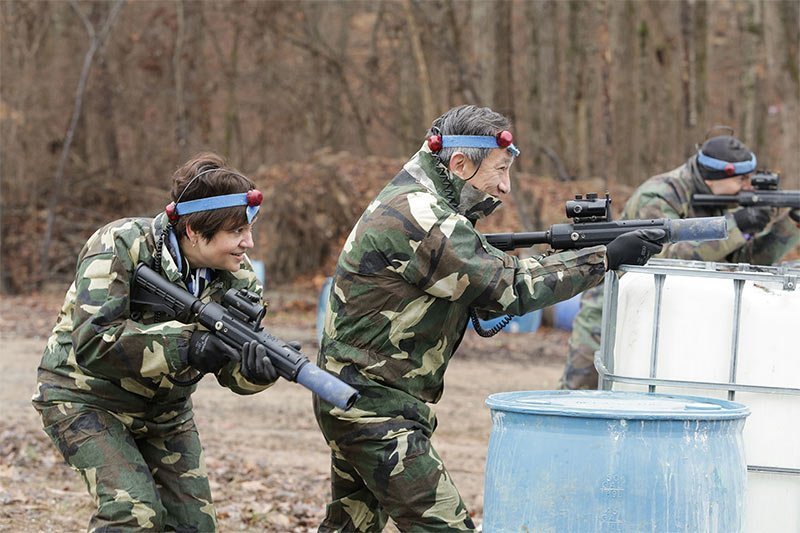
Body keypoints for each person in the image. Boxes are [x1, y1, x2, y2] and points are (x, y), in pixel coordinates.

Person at [312, 105, 667, 532]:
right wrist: (603, 259)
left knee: (351, 526)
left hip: (360, 395)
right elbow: (505, 287)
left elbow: (480, 282)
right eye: (499, 170)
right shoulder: (420, 214)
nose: (505, 186)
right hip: (371, 406)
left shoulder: (427, 202)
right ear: (459, 164)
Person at [32, 152, 281, 531]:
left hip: (165, 413)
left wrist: (256, 371)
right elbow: (95, 342)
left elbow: (234, 376)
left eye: (248, 230)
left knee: (194, 526)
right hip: (84, 398)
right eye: (236, 232)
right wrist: (190, 345)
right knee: (132, 514)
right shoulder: (119, 243)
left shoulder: (238, 277)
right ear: (195, 231)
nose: (248, 243)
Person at [561, 134, 800, 390]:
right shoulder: (660, 195)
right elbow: (662, 258)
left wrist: (789, 224)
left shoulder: (721, 199)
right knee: (582, 383)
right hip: (615, 301)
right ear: (714, 177)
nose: (747, 186)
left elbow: (741, 262)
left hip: (674, 309)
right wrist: (736, 226)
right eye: (741, 180)